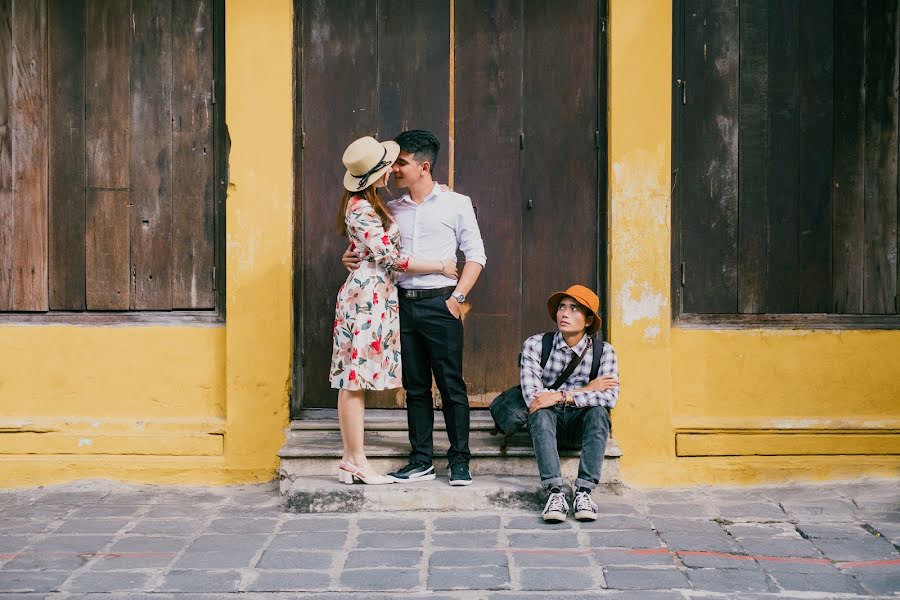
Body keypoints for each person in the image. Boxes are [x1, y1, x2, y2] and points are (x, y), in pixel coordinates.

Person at [343, 130, 486, 486]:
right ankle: (421, 460)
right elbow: (374, 250)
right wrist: (350, 258)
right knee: (416, 387)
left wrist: (458, 298)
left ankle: (459, 461)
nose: (393, 170)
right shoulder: (389, 209)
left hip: (442, 303)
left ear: (424, 167)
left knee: (451, 385)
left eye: (400, 163)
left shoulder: (457, 203)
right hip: (401, 306)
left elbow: (476, 256)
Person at [520, 285, 619, 522]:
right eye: (562, 307)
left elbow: (609, 398)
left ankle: (584, 492)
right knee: (541, 412)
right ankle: (556, 493)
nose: (565, 313)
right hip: (547, 423)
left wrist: (559, 395)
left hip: (580, 426)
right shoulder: (535, 345)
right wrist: (586, 390)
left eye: (574, 309)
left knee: (598, 413)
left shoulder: (604, 352)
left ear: (587, 321)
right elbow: (533, 397)